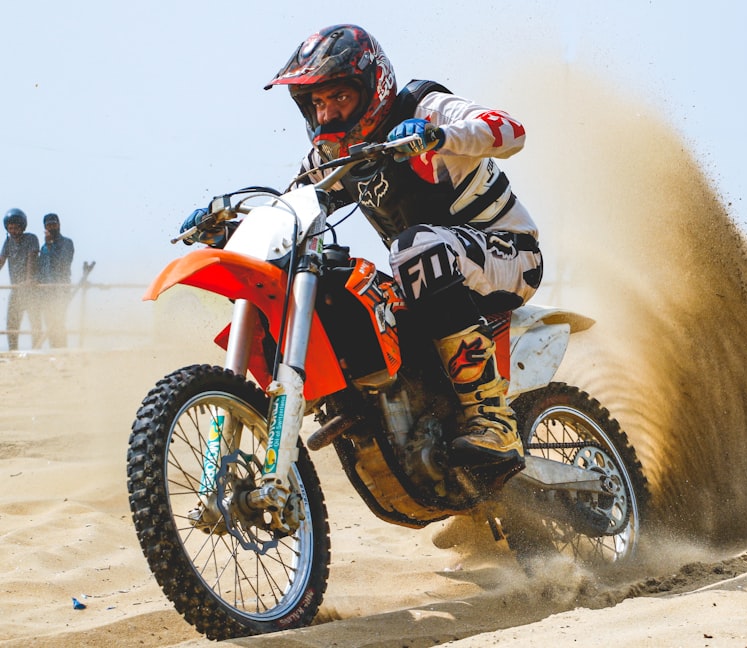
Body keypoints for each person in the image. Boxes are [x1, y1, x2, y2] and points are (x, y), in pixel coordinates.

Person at [183, 25, 542, 473]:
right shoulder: (331, 159)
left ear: (373, 86)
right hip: (431, 276)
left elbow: (512, 130)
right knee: (361, 293)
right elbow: (288, 213)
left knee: (416, 248)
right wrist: (229, 229)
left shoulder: (425, 108)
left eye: (339, 98)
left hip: (509, 254)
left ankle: (493, 419)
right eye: (317, 103)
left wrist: (437, 136)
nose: (328, 112)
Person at [0, 208, 41, 351]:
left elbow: (32, 258)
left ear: (22, 227)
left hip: (30, 290)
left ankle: (36, 351)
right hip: (16, 290)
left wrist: (29, 279)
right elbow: (1, 261)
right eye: (10, 228)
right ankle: (13, 351)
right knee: (12, 324)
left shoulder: (31, 239)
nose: (13, 231)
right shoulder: (8, 242)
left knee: (35, 322)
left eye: (16, 228)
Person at [37, 212, 75, 348]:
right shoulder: (43, 247)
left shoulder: (67, 243)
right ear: (45, 227)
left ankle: (62, 349)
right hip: (46, 292)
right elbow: (41, 268)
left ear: (59, 225)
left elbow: (62, 263)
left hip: (61, 290)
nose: (52, 227)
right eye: (49, 225)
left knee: (59, 321)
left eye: (54, 224)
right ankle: (54, 349)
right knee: (49, 323)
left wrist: (51, 245)